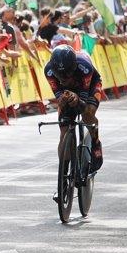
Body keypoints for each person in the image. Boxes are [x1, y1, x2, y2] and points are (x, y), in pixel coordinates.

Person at [44, 45, 103, 175]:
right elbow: (60, 99)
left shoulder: (84, 67)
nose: (63, 79)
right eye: (59, 76)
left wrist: (77, 100)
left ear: (74, 68)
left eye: (67, 75)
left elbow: (83, 102)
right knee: (64, 130)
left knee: (87, 114)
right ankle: (63, 174)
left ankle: (96, 142)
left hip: (89, 85)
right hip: (68, 92)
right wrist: (64, 100)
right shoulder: (48, 71)